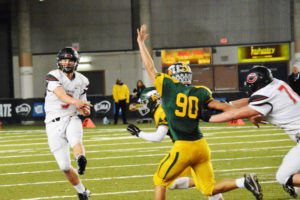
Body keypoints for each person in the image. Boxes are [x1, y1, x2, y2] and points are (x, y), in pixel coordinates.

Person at [137, 24, 262, 200]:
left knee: (159, 180)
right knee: (209, 189)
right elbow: (225, 107)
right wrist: (250, 114)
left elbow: (149, 67)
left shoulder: (167, 86)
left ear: (173, 77)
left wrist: (141, 43)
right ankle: (243, 182)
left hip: (183, 146)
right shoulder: (201, 91)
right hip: (201, 146)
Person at [208, 65, 300, 198]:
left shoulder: (265, 94)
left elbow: (235, 114)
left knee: (283, 177)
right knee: (292, 172)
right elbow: (250, 103)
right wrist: (226, 104)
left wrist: (209, 118)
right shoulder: (277, 83)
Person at [44, 47, 92, 200]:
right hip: (53, 122)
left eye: (70, 59)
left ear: (75, 62)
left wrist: (85, 111)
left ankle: (80, 159)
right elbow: (61, 95)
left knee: (75, 140)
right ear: (59, 61)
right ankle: (82, 190)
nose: (67, 62)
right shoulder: (53, 75)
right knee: (64, 166)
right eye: (64, 59)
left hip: (72, 117)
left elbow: (84, 105)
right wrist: (77, 102)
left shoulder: (83, 80)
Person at [127, 87, 196, 190]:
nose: (144, 105)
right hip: (197, 145)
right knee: (208, 186)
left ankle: (200, 183)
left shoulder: (161, 111)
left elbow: (159, 137)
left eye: (145, 102)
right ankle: (204, 184)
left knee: (164, 181)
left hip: (186, 149)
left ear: (153, 100)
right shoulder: (167, 106)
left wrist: (139, 133)